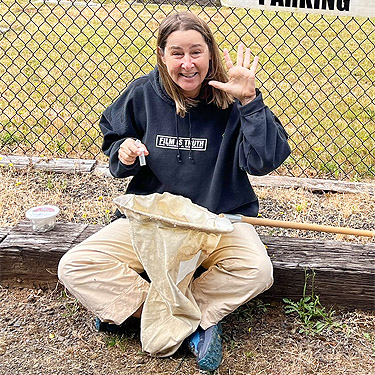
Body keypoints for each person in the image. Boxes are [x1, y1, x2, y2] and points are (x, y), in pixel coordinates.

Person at [58, 11, 291, 372]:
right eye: (177, 53)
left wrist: (250, 102)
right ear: (162, 56)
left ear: (210, 54)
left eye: (196, 52)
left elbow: (264, 160)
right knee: (75, 265)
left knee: (257, 270)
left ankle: (141, 315)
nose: (187, 63)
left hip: (218, 219)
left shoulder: (231, 98)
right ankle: (192, 325)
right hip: (153, 219)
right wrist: (124, 150)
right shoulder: (142, 93)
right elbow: (115, 142)